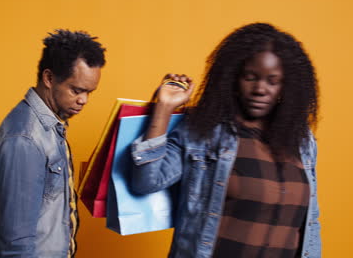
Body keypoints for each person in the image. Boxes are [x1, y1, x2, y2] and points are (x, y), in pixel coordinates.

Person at [131, 23, 320, 258]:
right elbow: (146, 182)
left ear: (286, 86)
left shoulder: (302, 142)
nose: (260, 89)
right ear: (232, 78)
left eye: (273, 81)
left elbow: (308, 223)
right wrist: (164, 108)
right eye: (250, 77)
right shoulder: (204, 131)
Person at [0, 29, 106, 258]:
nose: (83, 100)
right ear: (48, 78)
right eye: (76, 90)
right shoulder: (25, 140)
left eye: (90, 92)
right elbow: (16, 245)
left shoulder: (49, 127)